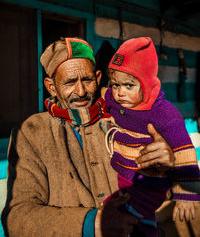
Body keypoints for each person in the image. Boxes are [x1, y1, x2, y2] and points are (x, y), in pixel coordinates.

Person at [2, 37, 175, 237]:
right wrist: (92, 223)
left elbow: (160, 193)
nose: (81, 91)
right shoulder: (32, 132)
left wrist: (164, 169)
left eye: (87, 80)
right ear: (51, 87)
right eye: (69, 82)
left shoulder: (125, 120)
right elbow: (17, 218)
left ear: (98, 77)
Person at [100, 37, 200, 236]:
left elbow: (184, 153)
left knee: (138, 221)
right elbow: (105, 96)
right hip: (125, 178)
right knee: (117, 215)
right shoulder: (117, 100)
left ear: (145, 84)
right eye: (116, 85)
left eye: (129, 86)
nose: (120, 93)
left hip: (150, 183)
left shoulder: (164, 114)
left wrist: (186, 193)